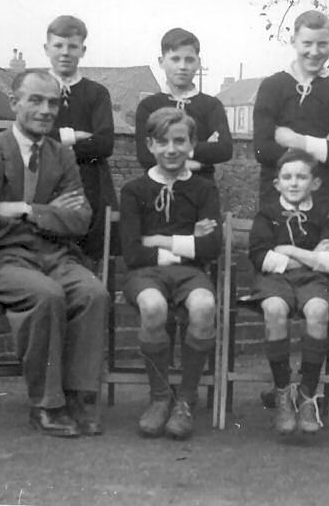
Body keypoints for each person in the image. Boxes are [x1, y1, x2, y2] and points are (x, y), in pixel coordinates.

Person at [0, 70, 109, 437]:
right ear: (14, 103)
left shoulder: (62, 156)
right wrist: (49, 213)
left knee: (93, 293)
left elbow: (80, 220)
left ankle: (76, 397)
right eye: (35, 100)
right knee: (46, 294)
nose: (45, 110)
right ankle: (47, 404)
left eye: (53, 102)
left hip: (54, 256)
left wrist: (24, 209)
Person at [119, 107, 222, 440]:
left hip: (191, 275)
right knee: (153, 307)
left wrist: (159, 239)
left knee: (205, 306)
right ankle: (160, 397)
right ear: (150, 145)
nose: (171, 149)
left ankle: (186, 400)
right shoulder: (135, 190)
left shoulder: (204, 190)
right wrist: (188, 241)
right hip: (145, 274)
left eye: (180, 141)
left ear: (192, 144)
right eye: (162, 142)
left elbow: (211, 248)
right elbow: (133, 252)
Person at [246, 149, 329, 435]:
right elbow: (260, 257)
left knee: (318, 310)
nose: (293, 183)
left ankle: (306, 395)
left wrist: (289, 250)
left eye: (301, 177)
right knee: (274, 309)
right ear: (277, 183)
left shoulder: (323, 214)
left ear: (314, 183)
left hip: (312, 282)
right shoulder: (267, 214)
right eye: (287, 177)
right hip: (274, 282)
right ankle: (282, 392)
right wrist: (311, 255)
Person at [253, 9, 329, 219]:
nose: (314, 51)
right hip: (276, 195)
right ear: (294, 41)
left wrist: (295, 140)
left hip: (323, 195)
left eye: (322, 44)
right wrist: (324, 144)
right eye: (307, 44)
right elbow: (263, 150)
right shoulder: (272, 87)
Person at [45, 14, 117, 264]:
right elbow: (31, 138)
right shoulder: (35, 88)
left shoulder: (96, 93)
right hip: (45, 177)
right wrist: (73, 136)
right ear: (46, 48)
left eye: (72, 46)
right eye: (58, 45)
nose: (65, 52)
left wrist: (53, 141)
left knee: (88, 254)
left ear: (82, 50)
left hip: (90, 181)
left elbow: (104, 144)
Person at [134, 27, 233, 180]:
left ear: (198, 63)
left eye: (189, 60)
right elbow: (145, 156)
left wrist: (168, 150)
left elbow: (224, 150)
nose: (182, 66)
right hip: (159, 189)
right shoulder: (149, 106)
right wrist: (198, 161)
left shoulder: (211, 105)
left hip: (201, 189)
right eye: (175, 59)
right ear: (161, 62)